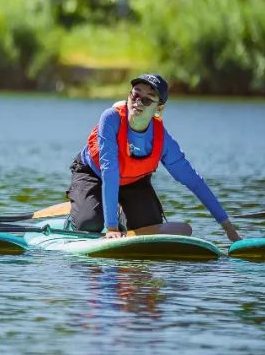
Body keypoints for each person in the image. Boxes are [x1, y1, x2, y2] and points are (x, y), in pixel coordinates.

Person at [69, 73, 241, 241]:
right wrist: (111, 228)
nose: (138, 103)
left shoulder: (162, 140)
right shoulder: (110, 119)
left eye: (147, 100)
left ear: (158, 109)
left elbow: (194, 181)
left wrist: (229, 230)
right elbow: (109, 171)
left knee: (150, 225)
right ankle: (89, 211)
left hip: (133, 181)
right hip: (94, 174)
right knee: (89, 224)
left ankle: (122, 213)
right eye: (135, 95)